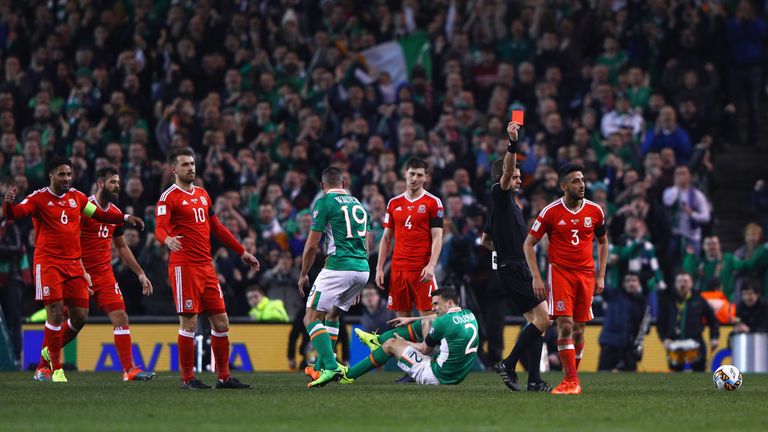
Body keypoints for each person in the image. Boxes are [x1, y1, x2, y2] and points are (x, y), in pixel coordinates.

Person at [3, 156, 143, 382]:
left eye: (69, 174)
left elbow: (98, 214)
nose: (67, 178)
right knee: (56, 312)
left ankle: (48, 352)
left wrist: (125, 217)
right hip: (48, 263)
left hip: (73, 264)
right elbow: (14, 214)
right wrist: (8, 203)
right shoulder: (38, 198)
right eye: (62, 174)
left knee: (80, 317)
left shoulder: (77, 198)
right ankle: (48, 368)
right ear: (51, 175)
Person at [37, 167, 156, 381]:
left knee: (121, 316)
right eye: (113, 182)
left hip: (104, 273)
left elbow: (121, 247)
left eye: (119, 182)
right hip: (77, 271)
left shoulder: (115, 214)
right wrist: (82, 270)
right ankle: (45, 361)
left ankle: (129, 370)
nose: (117, 186)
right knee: (77, 319)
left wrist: (140, 273)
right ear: (101, 184)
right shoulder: (82, 207)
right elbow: (71, 241)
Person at [155, 148, 260, 390]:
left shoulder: (202, 194)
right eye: (185, 165)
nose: (191, 168)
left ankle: (223, 377)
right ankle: (187, 379)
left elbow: (218, 227)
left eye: (192, 163)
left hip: (206, 266)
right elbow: (159, 227)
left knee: (221, 323)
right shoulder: (168, 197)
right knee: (188, 323)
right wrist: (167, 240)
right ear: (174, 169)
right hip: (185, 267)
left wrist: (242, 251)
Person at [523, 163, 609, 395]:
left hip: (586, 274)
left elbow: (603, 242)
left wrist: (601, 275)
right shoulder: (550, 212)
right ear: (563, 186)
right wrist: (537, 278)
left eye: (582, 180)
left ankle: (572, 379)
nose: (581, 185)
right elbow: (528, 244)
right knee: (566, 325)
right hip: (560, 273)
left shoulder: (595, 211)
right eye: (575, 181)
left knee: (580, 330)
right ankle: (571, 380)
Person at [480, 120, 552, 392]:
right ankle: (508, 363)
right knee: (544, 320)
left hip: (513, 267)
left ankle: (534, 379)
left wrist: (501, 251)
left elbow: (485, 240)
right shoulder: (499, 195)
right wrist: (512, 142)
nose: (520, 180)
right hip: (516, 269)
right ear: (504, 178)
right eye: (516, 176)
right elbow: (508, 171)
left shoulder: (505, 207)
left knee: (538, 323)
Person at [298, 167, 371, 387]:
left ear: (323, 185)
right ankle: (320, 368)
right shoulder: (359, 204)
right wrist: (357, 283)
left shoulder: (324, 203)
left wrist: (303, 273)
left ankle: (331, 365)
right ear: (343, 182)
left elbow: (312, 246)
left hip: (338, 266)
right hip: (362, 268)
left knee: (310, 318)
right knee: (332, 315)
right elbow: (367, 242)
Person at [376, 156, 443, 383]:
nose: (415, 178)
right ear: (405, 174)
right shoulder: (393, 203)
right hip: (398, 270)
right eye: (412, 173)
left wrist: (432, 264)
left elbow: (437, 237)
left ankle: (429, 367)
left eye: (420, 175)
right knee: (401, 321)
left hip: (422, 270)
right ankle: (410, 369)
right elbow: (386, 238)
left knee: (427, 319)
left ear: (426, 178)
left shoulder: (433, 203)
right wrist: (379, 268)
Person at [345, 288, 478, 386]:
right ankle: (376, 340)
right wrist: (412, 318)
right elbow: (434, 318)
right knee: (425, 321)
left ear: (449, 303)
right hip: (457, 375)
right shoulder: (468, 314)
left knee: (391, 344)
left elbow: (424, 349)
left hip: (436, 376)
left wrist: (404, 342)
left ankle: (348, 375)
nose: (433, 308)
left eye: (436, 304)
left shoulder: (442, 322)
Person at [657, 272, 719, 372]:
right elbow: (661, 323)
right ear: (675, 284)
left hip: (696, 343)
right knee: (675, 379)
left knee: (699, 377)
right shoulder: (668, 301)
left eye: (685, 281)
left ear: (691, 283)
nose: (682, 284)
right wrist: (664, 339)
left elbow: (713, 320)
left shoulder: (699, 300)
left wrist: (714, 337)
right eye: (679, 281)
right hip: (674, 344)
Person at [597, 272, 647, 371]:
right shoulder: (614, 295)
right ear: (623, 283)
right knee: (603, 375)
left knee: (631, 379)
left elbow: (644, 326)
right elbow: (600, 284)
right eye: (628, 281)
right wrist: (607, 267)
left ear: (638, 284)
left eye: (634, 280)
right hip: (610, 343)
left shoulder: (641, 301)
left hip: (629, 346)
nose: (631, 283)